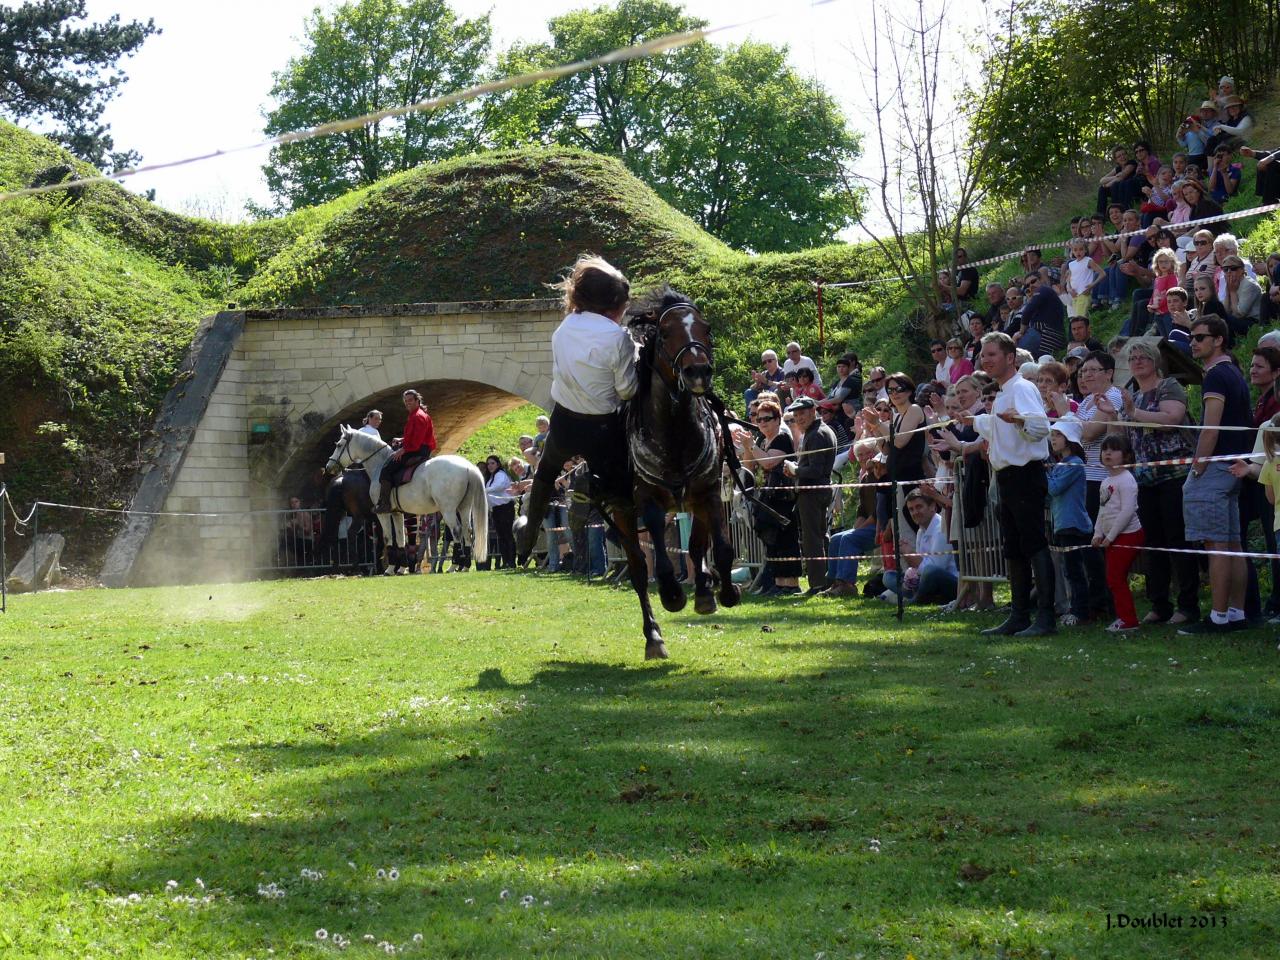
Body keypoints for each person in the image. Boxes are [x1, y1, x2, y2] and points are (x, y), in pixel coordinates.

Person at [514, 255, 637, 564]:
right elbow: (627, 390)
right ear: (613, 307)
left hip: (565, 419)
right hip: (602, 426)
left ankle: (528, 534)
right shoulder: (617, 337)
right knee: (621, 484)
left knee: (545, 473)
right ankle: (595, 497)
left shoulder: (567, 325)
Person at [966, 332, 1055, 636]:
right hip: (1006, 477)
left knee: (1033, 544)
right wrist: (975, 422)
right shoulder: (1003, 392)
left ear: (1010, 357)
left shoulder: (1022, 388)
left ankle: (1045, 618)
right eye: (982, 354)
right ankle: (1018, 615)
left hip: (1025, 476)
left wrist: (1020, 420)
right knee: (1014, 549)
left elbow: (1040, 427)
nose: (985, 360)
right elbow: (1003, 430)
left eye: (992, 354)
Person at [1179, 315, 1252, 634]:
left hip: (1216, 465)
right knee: (1232, 544)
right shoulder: (1233, 372)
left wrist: (1197, 467)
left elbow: (1211, 429)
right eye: (1191, 337)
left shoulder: (1216, 376)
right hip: (1234, 466)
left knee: (1216, 545)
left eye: (1199, 337)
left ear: (1218, 340)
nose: (1193, 342)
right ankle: (1235, 613)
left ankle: (1218, 616)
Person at [1120, 340, 1199, 625]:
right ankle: (1159, 603)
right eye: (1133, 358)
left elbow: (1171, 419)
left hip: (1174, 475)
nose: (1138, 361)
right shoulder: (1132, 396)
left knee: (1178, 539)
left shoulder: (1167, 387)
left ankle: (1188, 605)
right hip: (1145, 478)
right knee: (1153, 542)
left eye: (1143, 357)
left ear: (1155, 361)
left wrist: (1133, 415)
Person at [740, 396, 800, 596]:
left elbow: (768, 462)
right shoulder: (764, 440)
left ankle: (791, 584)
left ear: (777, 419)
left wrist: (751, 446)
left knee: (785, 541)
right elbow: (751, 465)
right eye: (759, 419)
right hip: (770, 496)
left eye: (767, 418)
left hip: (784, 497)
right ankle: (778, 583)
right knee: (773, 542)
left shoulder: (782, 437)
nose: (763, 423)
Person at [782, 396, 837, 594]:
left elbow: (815, 470)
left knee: (812, 539)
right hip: (818, 491)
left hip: (812, 492)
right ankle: (827, 580)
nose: (798, 418)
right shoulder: (819, 431)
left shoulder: (816, 434)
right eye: (795, 415)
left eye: (802, 413)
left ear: (813, 411)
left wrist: (795, 469)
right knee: (821, 536)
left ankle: (817, 584)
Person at [1093, 434, 1144, 632]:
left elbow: (1127, 511)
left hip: (1129, 535)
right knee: (1113, 578)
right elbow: (1103, 510)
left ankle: (1129, 620)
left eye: (1114, 449)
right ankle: (1124, 617)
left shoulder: (1127, 480)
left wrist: (1111, 537)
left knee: (1115, 577)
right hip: (1111, 538)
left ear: (1126, 455)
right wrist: (1098, 533)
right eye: (1105, 449)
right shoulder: (1105, 481)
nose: (1107, 453)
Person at [1047, 418, 1093, 626]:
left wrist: (1040, 472)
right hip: (1062, 524)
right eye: (1052, 435)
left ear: (1069, 439)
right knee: (1069, 570)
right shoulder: (1060, 465)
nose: (1053, 439)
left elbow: (1054, 489)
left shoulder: (1074, 464)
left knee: (1075, 571)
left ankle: (1081, 612)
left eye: (1057, 435)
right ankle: (1075, 608)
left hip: (1073, 524)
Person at [881, 491, 958, 604]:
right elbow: (919, 570)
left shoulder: (941, 528)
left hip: (950, 581)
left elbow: (936, 569)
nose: (915, 512)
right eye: (911, 509)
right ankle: (922, 596)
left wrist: (909, 554)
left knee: (930, 571)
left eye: (919, 507)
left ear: (933, 507)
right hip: (927, 581)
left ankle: (915, 599)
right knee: (888, 576)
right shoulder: (921, 531)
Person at [375, 389, 436, 513]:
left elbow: (417, 441)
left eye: (410, 400)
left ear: (417, 400)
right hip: (419, 448)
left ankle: (385, 504)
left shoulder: (418, 416)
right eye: (406, 401)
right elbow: (415, 435)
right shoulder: (418, 414)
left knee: (386, 470)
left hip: (416, 450)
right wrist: (402, 439)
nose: (407, 403)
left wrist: (402, 450)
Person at [1018, 271, 1067, 356]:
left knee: (1018, 357)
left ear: (1041, 279)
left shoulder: (1043, 289)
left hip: (1044, 333)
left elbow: (1027, 312)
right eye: (1027, 285)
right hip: (1052, 338)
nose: (1031, 286)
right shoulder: (1044, 296)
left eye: (1033, 281)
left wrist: (1021, 332)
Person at [481, 455, 516, 569]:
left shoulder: (500, 474)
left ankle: (511, 562)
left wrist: (483, 490)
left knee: (507, 535)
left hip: (505, 507)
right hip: (497, 509)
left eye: (492, 463)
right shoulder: (491, 477)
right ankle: (505, 561)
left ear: (498, 464)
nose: (490, 466)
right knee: (501, 536)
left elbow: (499, 486)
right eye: (488, 464)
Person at [1220, 255, 1263, 335]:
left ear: (1242, 270)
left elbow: (1239, 314)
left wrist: (1232, 292)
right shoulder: (1230, 284)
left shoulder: (1249, 285)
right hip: (1241, 320)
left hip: (1253, 322)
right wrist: (1228, 291)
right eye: (1225, 269)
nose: (1229, 272)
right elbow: (1226, 310)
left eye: (1233, 268)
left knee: (1223, 320)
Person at [1066, 238, 1105, 318]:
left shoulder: (1088, 261)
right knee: (1079, 318)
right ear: (1072, 251)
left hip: (1084, 294)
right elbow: (1068, 280)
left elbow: (1102, 273)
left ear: (1085, 250)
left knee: (1080, 317)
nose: (1078, 252)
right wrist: (1069, 289)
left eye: (1081, 249)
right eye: (1075, 250)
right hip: (1074, 295)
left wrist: (1092, 285)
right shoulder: (1071, 264)